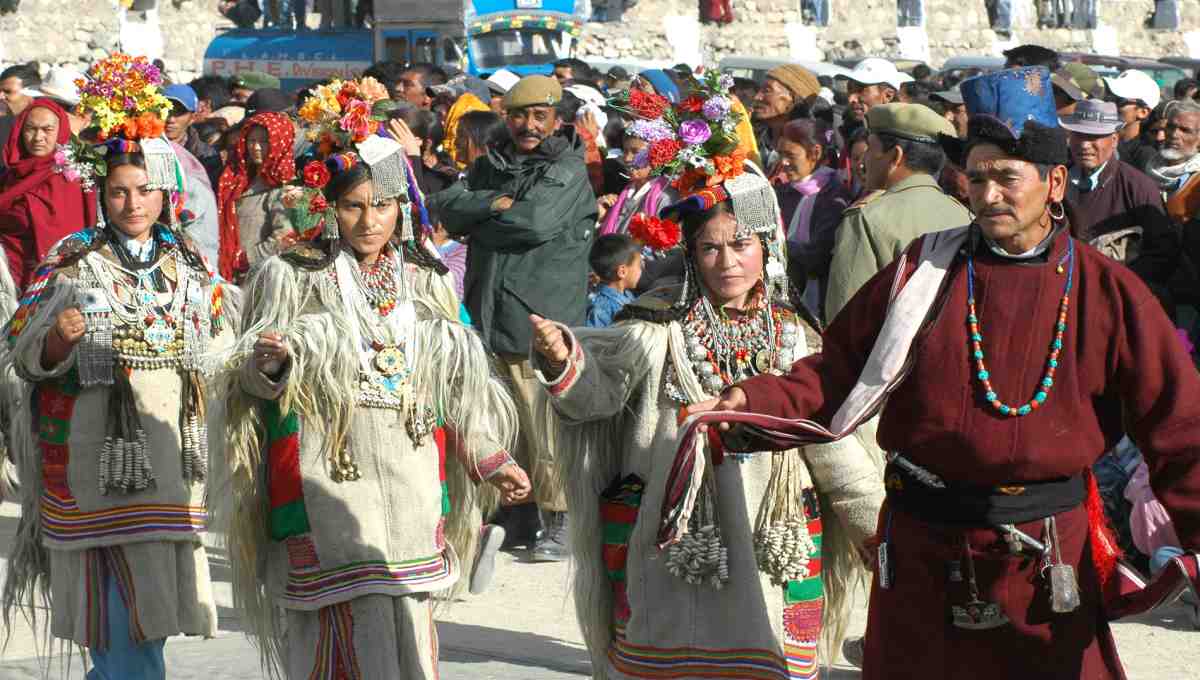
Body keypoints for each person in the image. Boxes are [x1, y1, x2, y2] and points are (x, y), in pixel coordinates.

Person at [691, 65, 1200, 679]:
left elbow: (1180, 427)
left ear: (1056, 182)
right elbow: (839, 367)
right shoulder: (924, 271)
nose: (987, 196)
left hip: (1044, 555)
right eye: (977, 178)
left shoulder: (1106, 291)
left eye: (1007, 179)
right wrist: (755, 396)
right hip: (921, 550)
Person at [528, 76, 881, 679]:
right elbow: (597, 396)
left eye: (741, 245)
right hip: (677, 541)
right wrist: (564, 358)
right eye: (711, 248)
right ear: (690, 253)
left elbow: (831, 443)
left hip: (773, 536)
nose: (728, 262)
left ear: (767, 249)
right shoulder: (657, 325)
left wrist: (877, 527)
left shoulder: (796, 335)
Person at [223, 105, 530, 679]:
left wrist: (491, 458)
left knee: (408, 626)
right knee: (334, 630)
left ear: (400, 207)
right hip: (326, 476)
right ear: (328, 207)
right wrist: (273, 364)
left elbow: (457, 384)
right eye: (353, 206)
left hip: (411, 472)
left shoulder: (425, 277)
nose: (369, 220)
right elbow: (246, 378)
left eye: (382, 205)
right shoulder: (291, 274)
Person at [1, 55, 238, 679]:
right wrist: (57, 340)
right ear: (101, 195)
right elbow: (21, 349)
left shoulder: (190, 264)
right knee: (114, 618)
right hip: (93, 457)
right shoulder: (72, 258)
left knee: (152, 612)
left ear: (166, 193)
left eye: (144, 190)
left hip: (169, 464)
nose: (132, 204)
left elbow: (220, 345)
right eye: (118, 192)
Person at [435, 75, 596, 562]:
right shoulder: (493, 165)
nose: (528, 126)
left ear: (557, 120)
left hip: (539, 319)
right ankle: (519, 510)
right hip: (491, 310)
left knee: (544, 424)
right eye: (519, 116)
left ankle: (562, 516)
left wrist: (483, 218)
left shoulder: (567, 170)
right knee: (503, 421)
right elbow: (446, 206)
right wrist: (491, 204)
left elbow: (533, 222)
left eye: (539, 117)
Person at [825, 103, 969, 322]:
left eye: (871, 149)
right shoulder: (965, 216)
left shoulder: (867, 218)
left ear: (895, 156)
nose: (864, 161)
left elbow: (845, 319)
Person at [1061, 99, 1178, 307]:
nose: (1085, 145)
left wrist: (1115, 281)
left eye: (1095, 137)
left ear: (1114, 140)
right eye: (1079, 135)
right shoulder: (1056, 181)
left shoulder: (1138, 187)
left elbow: (1163, 253)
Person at [0, 98, 97, 290]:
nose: (38, 137)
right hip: (9, 282)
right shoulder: (9, 176)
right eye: (31, 129)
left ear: (61, 131)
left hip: (60, 284)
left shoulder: (72, 178)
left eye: (47, 129)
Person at [771, 117, 853, 318]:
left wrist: (776, 245)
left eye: (790, 155)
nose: (783, 163)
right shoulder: (784, 191)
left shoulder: (833, 197)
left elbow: (818, 257)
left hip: (817, 302)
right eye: (780, 154)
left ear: (815, 153)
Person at [216, 110, 298, 282]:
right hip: (235, 278)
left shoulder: (285, 188)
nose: (256, 147)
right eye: (252, 141)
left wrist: (245, 259)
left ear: (280, 143)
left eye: (264, 141)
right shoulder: (238, 181)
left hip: (263, 281)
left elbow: (285, 236)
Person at [752, 64, 821, 162]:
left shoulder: (806, 150)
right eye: (760, 90)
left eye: (767, 90)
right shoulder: (754, 136)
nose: (757, 97)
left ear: (793, 99)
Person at [1148, 100, 1200, 223]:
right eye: (1171, 126)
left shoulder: (1196, 181)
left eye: (1185, 130)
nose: (1174, 134)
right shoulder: (1147, 168)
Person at [164, 84, 222, 188]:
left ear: (192, 118)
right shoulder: (140, 147)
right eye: (166, 111)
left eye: (179, 112)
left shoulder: (207, 155)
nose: (171, 120)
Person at [1103, 69, 1161, 172]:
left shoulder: (1145, 155)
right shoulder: (1100, 141)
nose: (1110, 104)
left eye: (1119, 100)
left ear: (1143, 112)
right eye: (1109, 98)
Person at [586, 233, 642, 328]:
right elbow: (594, 339)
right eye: (639, 265)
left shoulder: (627, 294)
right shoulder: (601, 309)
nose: (642, 269)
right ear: (622, 271)